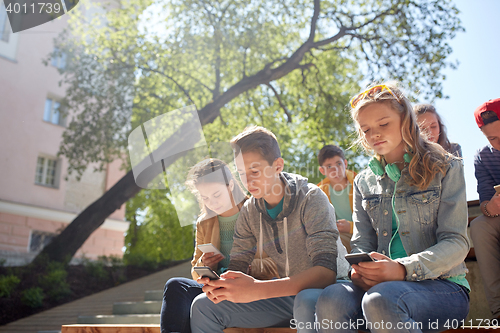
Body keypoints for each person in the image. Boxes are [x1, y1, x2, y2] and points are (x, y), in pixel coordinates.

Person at [316, 82, 470, 333]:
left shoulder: (446, 166)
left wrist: (401, 269)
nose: (373, 134)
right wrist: (360, 270)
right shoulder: (363, 181)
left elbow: (456, 242)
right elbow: (362, 244)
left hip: (443, 285)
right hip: (380, 286)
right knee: (332, 298)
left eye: (383, 124)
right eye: (365, 129)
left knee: (383, 300)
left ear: (405, 120)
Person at [190, 126, 349, 333]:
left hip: (332, 290)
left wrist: (257, 289)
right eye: (241, 173)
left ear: (277, 166)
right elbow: (237, 265)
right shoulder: (249, 210)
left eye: (254, 171)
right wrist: (222, 285)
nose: (247, 181)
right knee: (203, 306)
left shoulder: (312, 197)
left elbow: (326, 273)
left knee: (305, 299)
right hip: (284, 296)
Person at [160, 158, 278, 333]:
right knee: (175, 286)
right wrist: (205, 265)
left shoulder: (258, 212)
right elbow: (195, 270)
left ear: (230, 185)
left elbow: (279, 263)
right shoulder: (204, 223)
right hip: (218, 288)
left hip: (253, 287)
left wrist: (249, 268)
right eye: (205, 197)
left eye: (216, 195)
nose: (212, 203)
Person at [469, 98, 500, 319]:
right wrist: (491, 206)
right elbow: (485, 205)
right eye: (493, 138)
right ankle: (499, 311)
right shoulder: (483, 156)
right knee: (480, 226)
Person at [317, 145, 357, 253]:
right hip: (337, 235)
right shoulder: (320, 192)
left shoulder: (359, 184)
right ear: (322, 170)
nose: (335, 170)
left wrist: (350, 227)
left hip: (361, 235)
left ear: (345, 163)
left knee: (333, 246)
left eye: (338, 164)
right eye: (329, 166)